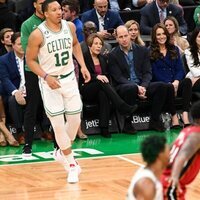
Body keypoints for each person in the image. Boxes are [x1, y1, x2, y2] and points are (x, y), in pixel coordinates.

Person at [26, 0, 90, 183]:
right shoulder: (37, 34)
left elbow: (76, 45)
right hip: (50, 83)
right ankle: (71, 163)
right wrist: (46, 77)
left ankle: (61, 150)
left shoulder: (69, 27)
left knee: (75, 119)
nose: (59, 12)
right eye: (54, 10)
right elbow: (30, 61)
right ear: (45, 13)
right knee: (58, 125)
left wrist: (83, 66)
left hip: (69, 78)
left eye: (60, 9)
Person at [108, 25, 168, 133]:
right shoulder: (113, 55)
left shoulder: (142, 50)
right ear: (116, 38)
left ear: (130, 35)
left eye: (126, 35)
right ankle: (128, 122)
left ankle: (155, 120)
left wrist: (143, 86)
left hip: (141, 84)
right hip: (124, 86)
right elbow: (118, 77)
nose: (124, 39)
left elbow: (147, 72)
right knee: (130, 88)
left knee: (162, 86)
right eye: (120, 37)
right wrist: (136, 87)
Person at [80, 33, 138, 138]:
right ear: (89, 45)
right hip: (87, 88)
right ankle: (121, 106)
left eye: (100, 44)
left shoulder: (102, 58)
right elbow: (82, 77)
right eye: (96, 44)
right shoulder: (83, 58)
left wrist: (101, 78)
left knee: (103, 94)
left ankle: (104, 128)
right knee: (101, 82)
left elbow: (106, 76)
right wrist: (96, 77)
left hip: (100, 88)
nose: (98, 46)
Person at [21, 0, 53, 157]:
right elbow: (29, 49)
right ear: (35, 4)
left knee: (54, 106)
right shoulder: (27, 24)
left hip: (51, 69)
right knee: (31, 107)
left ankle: (58, 143)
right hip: (33, 70)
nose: (43, 5)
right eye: (40, 2)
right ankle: (27, 144)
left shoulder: (53, 21)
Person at [150, 23, 192, 127]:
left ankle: (185, 114)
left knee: (187, 81)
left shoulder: (174, 49)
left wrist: (177, 81)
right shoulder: (149, 52)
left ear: (167, 35)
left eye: (163, 34)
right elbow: (154, 73)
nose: (161, 37)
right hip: (162, 84)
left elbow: (180, 69)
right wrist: (170, 84)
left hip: (175, 82)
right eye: (158, 34)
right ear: (154, 36)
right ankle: (174, 116)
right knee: (168, 87)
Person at [161, 100, 200, 200]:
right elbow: (181, 156)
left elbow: (169, 149)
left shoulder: (187, 130)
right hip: (171, 184)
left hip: (166, 181)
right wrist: (174, 178)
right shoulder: (197, 135)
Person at [0, 32, 26, 145]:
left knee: (45, 94)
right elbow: (5, 79)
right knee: (12, 100)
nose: (23, 46)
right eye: (20, 44)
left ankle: (46, 129)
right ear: (13, 45)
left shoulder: (32, 57)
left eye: (25, 43)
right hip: (13, 92)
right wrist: (15, 92)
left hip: (30, 91)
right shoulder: (4, 60)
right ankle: (20, 133)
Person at [127, 135, 169, 200]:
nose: (170, 154)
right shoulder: (147, 184)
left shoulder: (152, 173)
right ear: (160, 154)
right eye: (168, 151)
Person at [185, 27, 200, 94]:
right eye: (199, 37)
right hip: (194, 80)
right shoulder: (189, 51)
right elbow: (195, 72)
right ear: (195, 38)